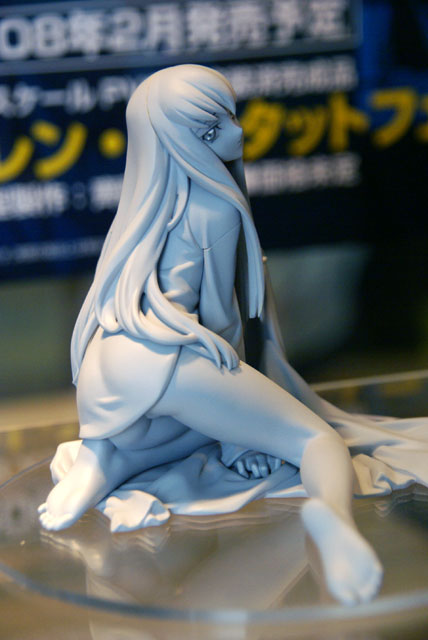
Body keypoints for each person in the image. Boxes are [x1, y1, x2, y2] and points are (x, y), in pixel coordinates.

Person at [40, 64, 401, 606]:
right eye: (212, 129)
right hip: (170, 360)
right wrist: (240, 434)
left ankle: (102, 460)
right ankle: (335, 520)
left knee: (193, 425)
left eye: (230, 117)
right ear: (184, 142)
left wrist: (229, 420)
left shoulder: (141, 208)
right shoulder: (215, 207)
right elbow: (222, 319)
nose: (237, 133)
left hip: (107, 374)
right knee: (317, 441)